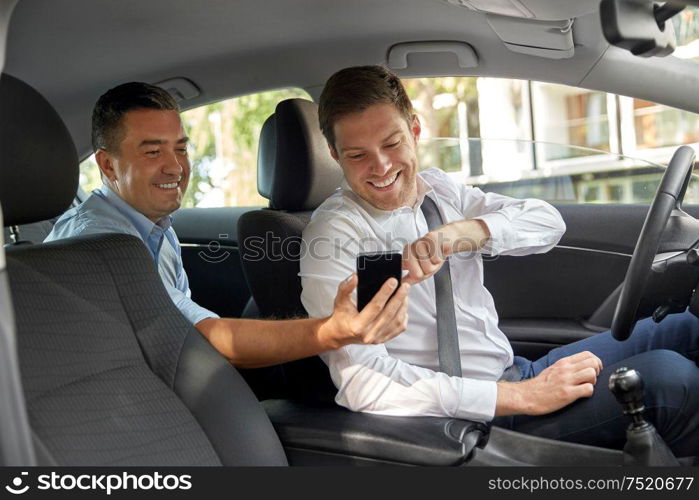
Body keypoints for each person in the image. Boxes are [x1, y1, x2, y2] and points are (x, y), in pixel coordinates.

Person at [299, 65, 699, 457]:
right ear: (334, 154)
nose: (382, 167)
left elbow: (547, 221)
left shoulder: (440, 192)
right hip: (467, 415)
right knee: (671, 380)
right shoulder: (337, 236)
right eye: (357, 155)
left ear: (415, 131)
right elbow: (363, 382)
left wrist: (465, 233)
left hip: (516, 370)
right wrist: (518, 396)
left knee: (689, 326)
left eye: (391, 144)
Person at [45, 81, 410, 369]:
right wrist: (332, 331)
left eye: (181, 149)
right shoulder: (101, 244)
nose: (176, 167)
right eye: (153, 152)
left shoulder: (152, 223)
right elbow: (206, 339)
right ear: (108, 166)